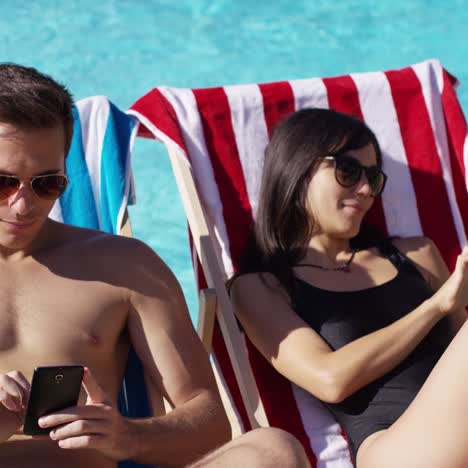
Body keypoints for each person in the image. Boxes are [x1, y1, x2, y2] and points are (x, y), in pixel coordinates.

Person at [0, 63, 311, 468]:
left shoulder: (123, 267)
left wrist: (126, 436)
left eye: (47, 184)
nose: (23, 206)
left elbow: (210, 420)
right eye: (3, 182)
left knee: (271, 451)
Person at [230, 108, 468, 468]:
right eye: (348, 170)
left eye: (373, 177)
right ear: (297, 169)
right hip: (394, 450)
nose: (365, 189)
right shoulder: (261, 286)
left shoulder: (415, 253)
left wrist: (457, 302)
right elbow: (330, 379)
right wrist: (434, 306)